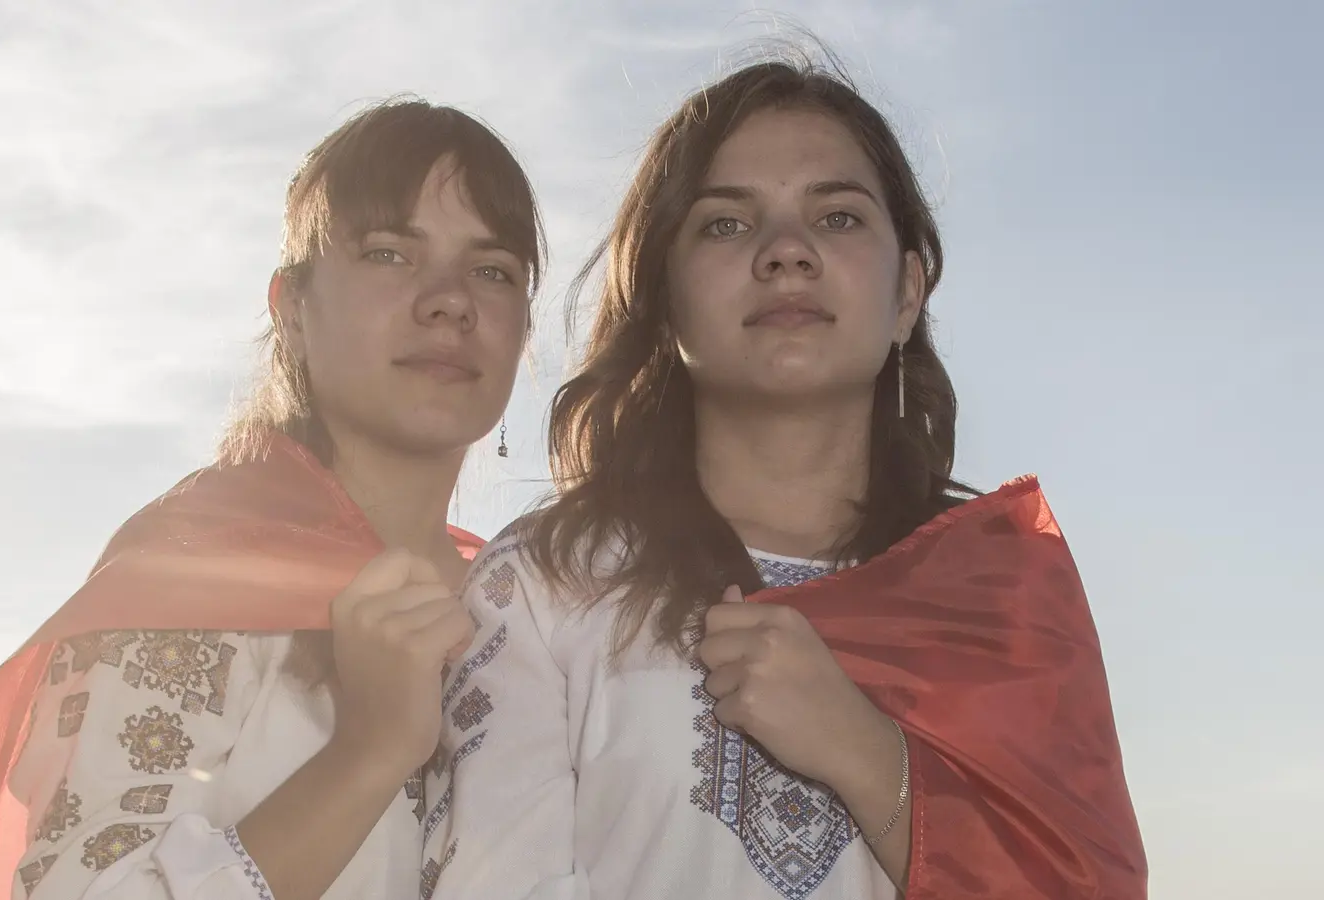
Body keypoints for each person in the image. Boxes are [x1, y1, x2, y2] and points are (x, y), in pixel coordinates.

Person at [420, 53, 1147, 900]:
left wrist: (869, 758)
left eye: (838, 218)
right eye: (727, 224)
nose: (787, 253)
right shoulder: (545, 585)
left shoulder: (999, 588)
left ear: (907, 291)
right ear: (663, 293)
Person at [0, 98, 544, 900]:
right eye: (389, 254)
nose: (450, 300)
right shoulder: (193, 584)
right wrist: (369, 752)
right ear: (292, 311)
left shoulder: (533, 620)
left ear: (524, 329)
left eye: (492, 271)